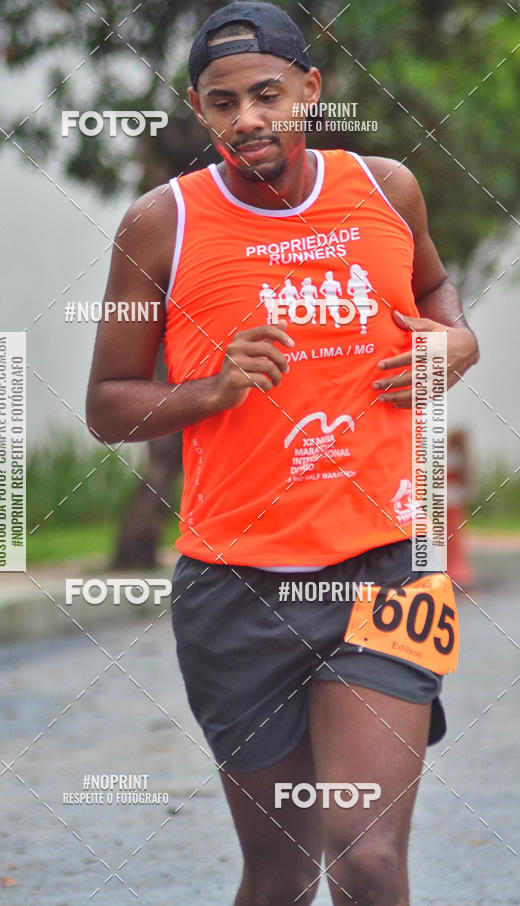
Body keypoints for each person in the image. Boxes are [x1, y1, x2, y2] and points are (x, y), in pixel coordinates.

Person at [85, 3, 480, 904]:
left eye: (267, 93)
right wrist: (212, 391)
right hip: (235, 588)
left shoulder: (387, 189)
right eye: (222, 103)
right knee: (281, 869)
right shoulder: (161, 225)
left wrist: (457, 342)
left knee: (367, 857)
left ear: (312, 88)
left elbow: (436, 290)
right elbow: (108, 405)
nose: (247, 119)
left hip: (388, 569)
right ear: (199, 109)